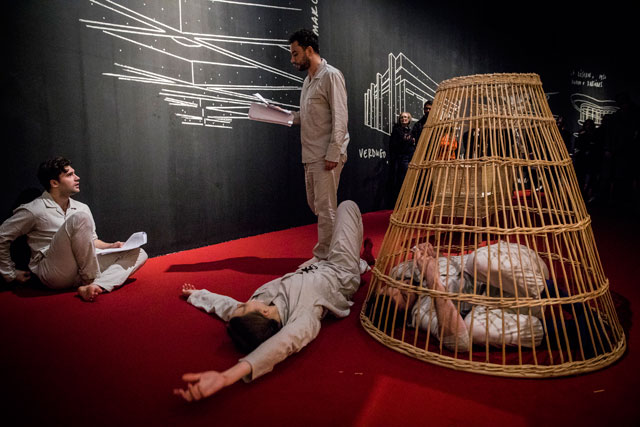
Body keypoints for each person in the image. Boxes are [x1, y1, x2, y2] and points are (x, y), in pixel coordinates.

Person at [174, 200, 363, 402]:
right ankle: (357, 265)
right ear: (264, 313)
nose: (241, 303)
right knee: (347, 206)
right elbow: (281, 346)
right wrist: (227, 377)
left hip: (317, 265)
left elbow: (227, 307)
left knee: (330, 230)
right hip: (340, 270)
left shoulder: (258, 307)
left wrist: (196, 295)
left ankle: (359, 262)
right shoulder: (304, 318)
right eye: (244, 306)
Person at [0, 157, 148, 301]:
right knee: (80, 218)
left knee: (139, 252)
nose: (77, 178)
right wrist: (11, 274)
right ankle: (91, 280)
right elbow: (2, 236)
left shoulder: (81, 207)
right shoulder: (34, 209)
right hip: (54, 271)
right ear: (54, 183)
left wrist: (111, 245)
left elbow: (91, 241)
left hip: (81, 267)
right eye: (70, 175)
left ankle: (96, 285)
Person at [288, 29, 350, 268]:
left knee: (325, 209)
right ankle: (339, 249)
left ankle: (327, 257)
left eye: (295, 54)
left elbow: (340, 116)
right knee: (316, 205)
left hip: (327, 155)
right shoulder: (308, 81)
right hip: (310, 154)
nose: (292, 60)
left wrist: (334, 152)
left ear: (309, 50)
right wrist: (282, 116)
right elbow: (305, 116)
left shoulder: (331, 76)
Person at [388, 112, 416, 206]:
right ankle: (402, 202)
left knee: (410, 180)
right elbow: (396, 145)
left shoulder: (410, 131)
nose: (404, 119)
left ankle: (409, 201)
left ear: (409, 119)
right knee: (403, 180)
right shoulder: (397, 131)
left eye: (406, 117)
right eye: (402, 117)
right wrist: (409, 140)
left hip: (410, 158)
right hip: (402, 158)